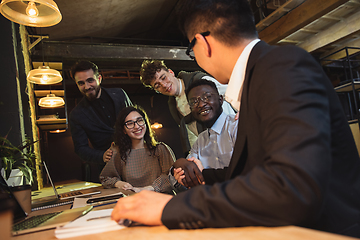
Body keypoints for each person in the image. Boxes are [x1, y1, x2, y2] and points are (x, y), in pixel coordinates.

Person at [111, 0, 360, 237]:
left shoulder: (281, 67)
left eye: (191, 49)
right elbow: (254, 171)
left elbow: (291, 186)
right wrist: (202, 176)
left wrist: (169, 208)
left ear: (202, 43)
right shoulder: (262, 74)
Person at [140, 60, 235, 156]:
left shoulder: (200, 81)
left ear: (171, 72)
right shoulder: (173, 106)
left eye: (163, 77)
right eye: (157, 85)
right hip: (214, 150)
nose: (164, 85)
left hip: (234, 137)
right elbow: (192, 133)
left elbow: (234, 94)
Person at [69, 61, 132, 183]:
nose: (87, 87)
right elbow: (80, 148)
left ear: (99, 78)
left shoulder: (120, 94)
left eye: (90, 80)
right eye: (81, 83)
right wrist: (102, 156)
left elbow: (137, 120)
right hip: (109, 169)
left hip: (137, 158)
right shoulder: (76, 115)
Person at [170, 79, 238, 191]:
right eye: (194, 101)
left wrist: (204, 174)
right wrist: (178, 169)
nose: (201, 104)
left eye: (207, 97)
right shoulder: (200, 141)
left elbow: (246, 171)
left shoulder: (237, 126)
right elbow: (182, 174)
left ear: (221, 99)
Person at [100, 106, 175, 193]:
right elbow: (105, 178)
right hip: (133, 200)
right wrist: (118, 183)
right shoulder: (118, 152)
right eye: (130, 123)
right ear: (124, 130)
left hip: (161, 199)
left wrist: (148, 188)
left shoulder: (161, 149)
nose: (137, 126)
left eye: (139, 120)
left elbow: (171, 177)